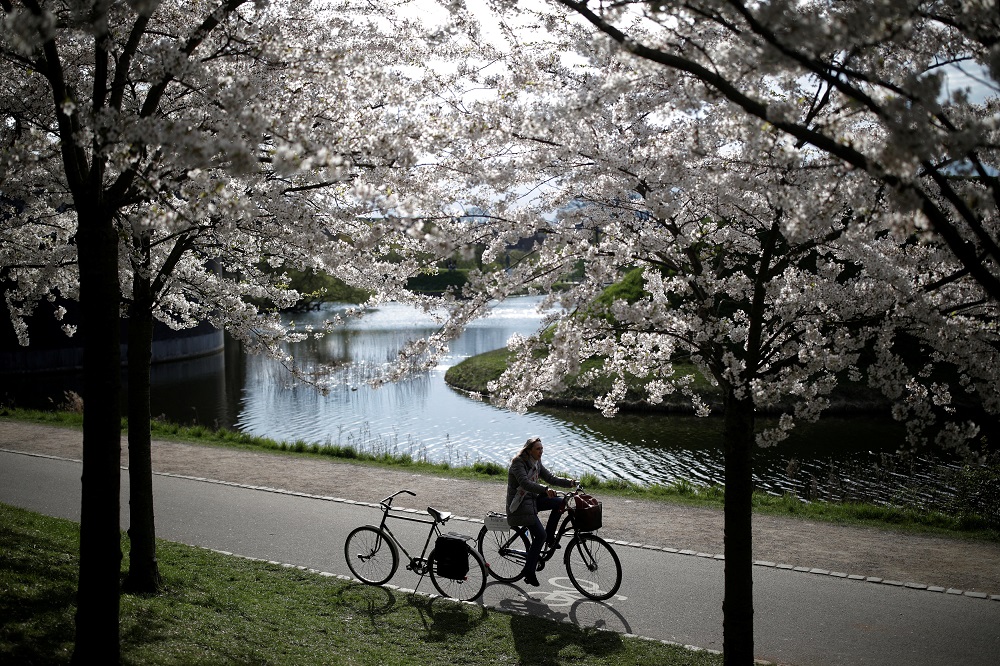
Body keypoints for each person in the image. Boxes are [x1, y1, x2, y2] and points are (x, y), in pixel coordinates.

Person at [506, 436, 576, 587]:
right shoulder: (519, 463)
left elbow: (550, 478)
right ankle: (529, 573)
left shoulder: (536, 462)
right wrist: (545, 490)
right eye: (538, 449)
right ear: (529, 450)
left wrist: (569, 482)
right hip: (520, 505)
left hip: (532, 501)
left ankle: (550, 537)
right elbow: (525, 483)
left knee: (560, 502)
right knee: (540, 535)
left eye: (542, 448)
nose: (541, 451)